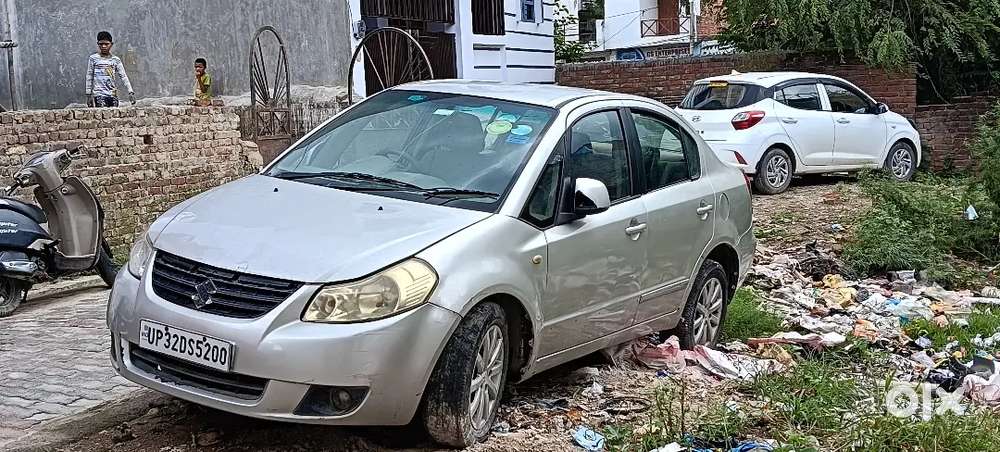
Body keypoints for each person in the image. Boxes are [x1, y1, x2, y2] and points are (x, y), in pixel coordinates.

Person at [85, 31, 134, 107]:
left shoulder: (116, 60)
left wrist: (130, 92)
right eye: (101, 44)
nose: (103, 46)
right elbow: (89, 76)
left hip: (113, 94)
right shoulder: (93, 58)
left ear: (111, 44)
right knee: (102, 113)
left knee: (115, 113)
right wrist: (88, 94)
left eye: (106, 44)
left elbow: (123, 76)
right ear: (98, 44)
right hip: (99, 95)